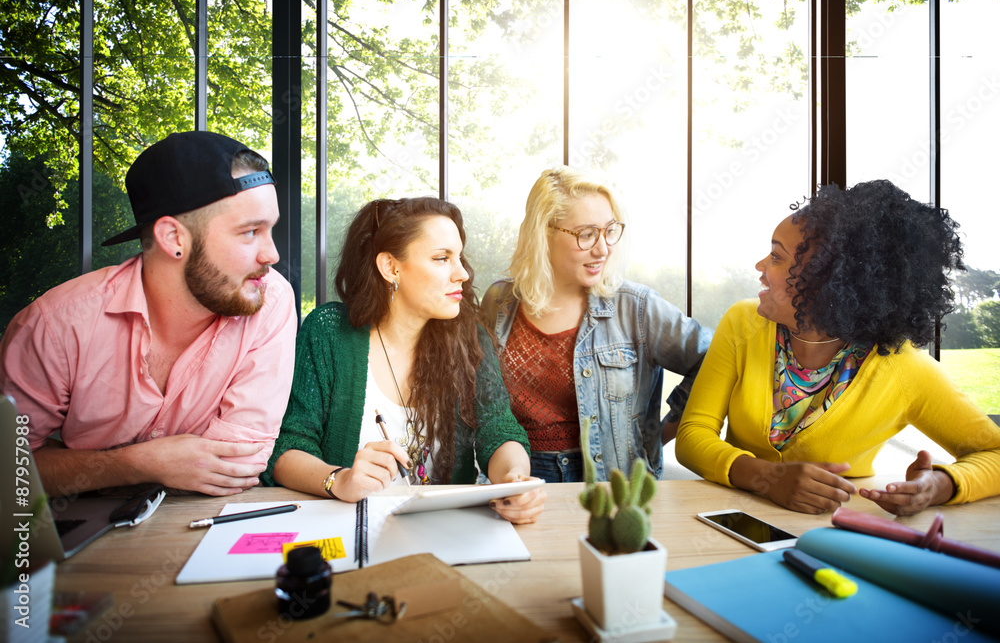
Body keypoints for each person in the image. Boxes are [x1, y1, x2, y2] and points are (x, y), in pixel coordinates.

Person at [676, 179, 1000, 516]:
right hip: (730, 523)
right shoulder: (743, 324)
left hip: (835, 535)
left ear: (825, 282)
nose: (761, 267)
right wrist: (767, 478)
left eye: (776, 256)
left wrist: (938, 486)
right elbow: (693, 435)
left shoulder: (903, 368)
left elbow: (995, 453)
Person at [0, 131, 296, 497]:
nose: (272, 255)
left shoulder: (270, 299)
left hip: (202, 530)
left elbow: (236, 466)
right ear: (173, 238)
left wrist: (78, 466)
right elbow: (8, 470)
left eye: (270, 229)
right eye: (250, 232)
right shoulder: (54, 325)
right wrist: (136, 464)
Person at [265, 197, 545, 525]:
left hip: (445, 532)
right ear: (391, 267)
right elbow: (287, 446)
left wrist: (514, 480)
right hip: (348, 530)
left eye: (460, 257)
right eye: (442, 258)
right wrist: (338, 479)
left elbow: (497, 429)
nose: (463, 273)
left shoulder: (469, 338)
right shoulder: (328, 333)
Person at [479, 167, 711, 483]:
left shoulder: (637, 307)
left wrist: (659, 433)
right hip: (517, 476)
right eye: (587, 234)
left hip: (608, 485)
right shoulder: (499, 301)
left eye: (610, 230)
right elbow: (483, 400)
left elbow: (713, 359)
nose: (603, 249)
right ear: (543, 233)